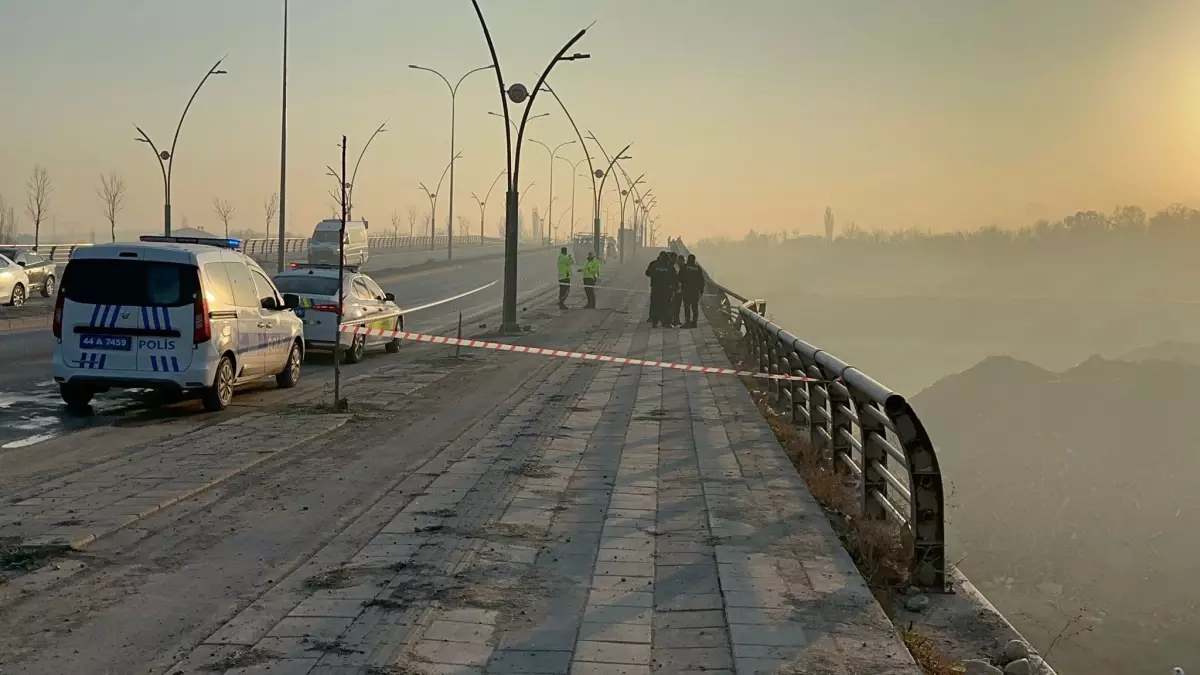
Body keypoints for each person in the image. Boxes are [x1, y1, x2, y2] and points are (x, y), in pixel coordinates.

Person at [645, 251, 676, 328]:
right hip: (666, 289)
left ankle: (654, 322)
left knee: (655, 305)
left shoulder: (654, 264)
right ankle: (666, 323)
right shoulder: (669, 267)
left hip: (655, 288)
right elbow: (674, 278)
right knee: (666, 306)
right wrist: (675, 288)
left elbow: (647, 273)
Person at [679, 253, 705, 328]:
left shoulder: (684, 267)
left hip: (686, 290)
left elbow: (679, 278)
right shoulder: (698, 268)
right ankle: (694, 322)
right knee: (694, 306)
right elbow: (701, 280)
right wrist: (701, 290)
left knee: (687, 306)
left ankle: (687, 322)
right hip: (695, 290)